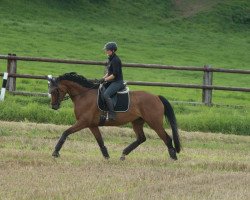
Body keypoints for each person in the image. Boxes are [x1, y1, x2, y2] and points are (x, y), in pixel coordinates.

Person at [99, 42, 124, 120]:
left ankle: (112, 114)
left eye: (107, 50)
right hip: (112, 81)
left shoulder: (116, 60)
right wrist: (102, 79)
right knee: (100, 89)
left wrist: (104, 79)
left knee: (106, 94)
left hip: (117, 82)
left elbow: (114, 75)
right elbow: (109, 73)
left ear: (112, 50)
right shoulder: (110, 59)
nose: (106, 51)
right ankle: (103, 112)